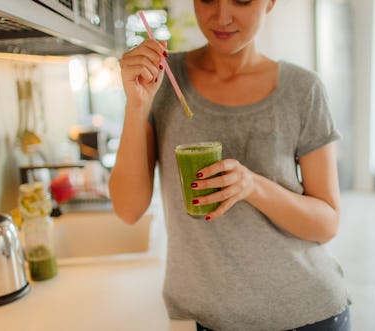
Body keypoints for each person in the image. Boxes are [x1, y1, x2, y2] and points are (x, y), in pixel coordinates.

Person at [109, 0, 351, 330]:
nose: (222, 17)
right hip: (204, 318)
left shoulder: (303, 89)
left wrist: (252, 186)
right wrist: (137, 105)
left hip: (306, 313)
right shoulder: (160, 80)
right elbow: (128, 210)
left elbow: (326, 224)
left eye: (242, 0)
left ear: (270, 3)